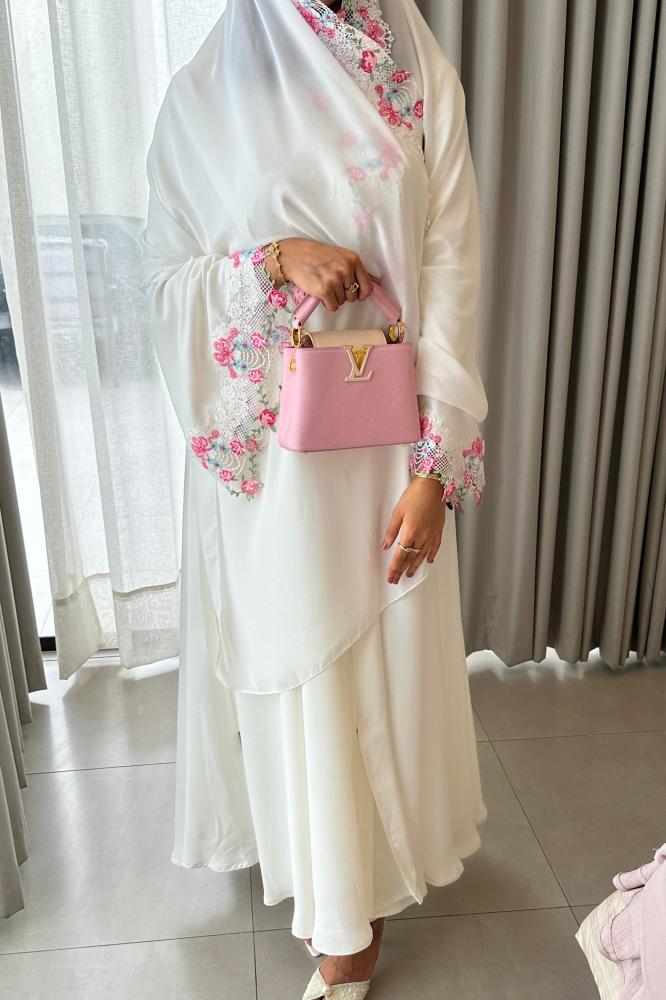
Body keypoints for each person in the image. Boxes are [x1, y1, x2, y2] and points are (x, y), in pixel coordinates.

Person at [139, 1, 489, 997]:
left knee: (384, 657)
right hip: (275, 458)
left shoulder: (416, 70)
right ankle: (333, 896)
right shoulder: (207, 95)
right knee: (304, 665)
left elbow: (452, 265)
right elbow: (164, 280)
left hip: (390, 443)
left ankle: (358, 902)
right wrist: (272, 260)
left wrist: (436, 465)